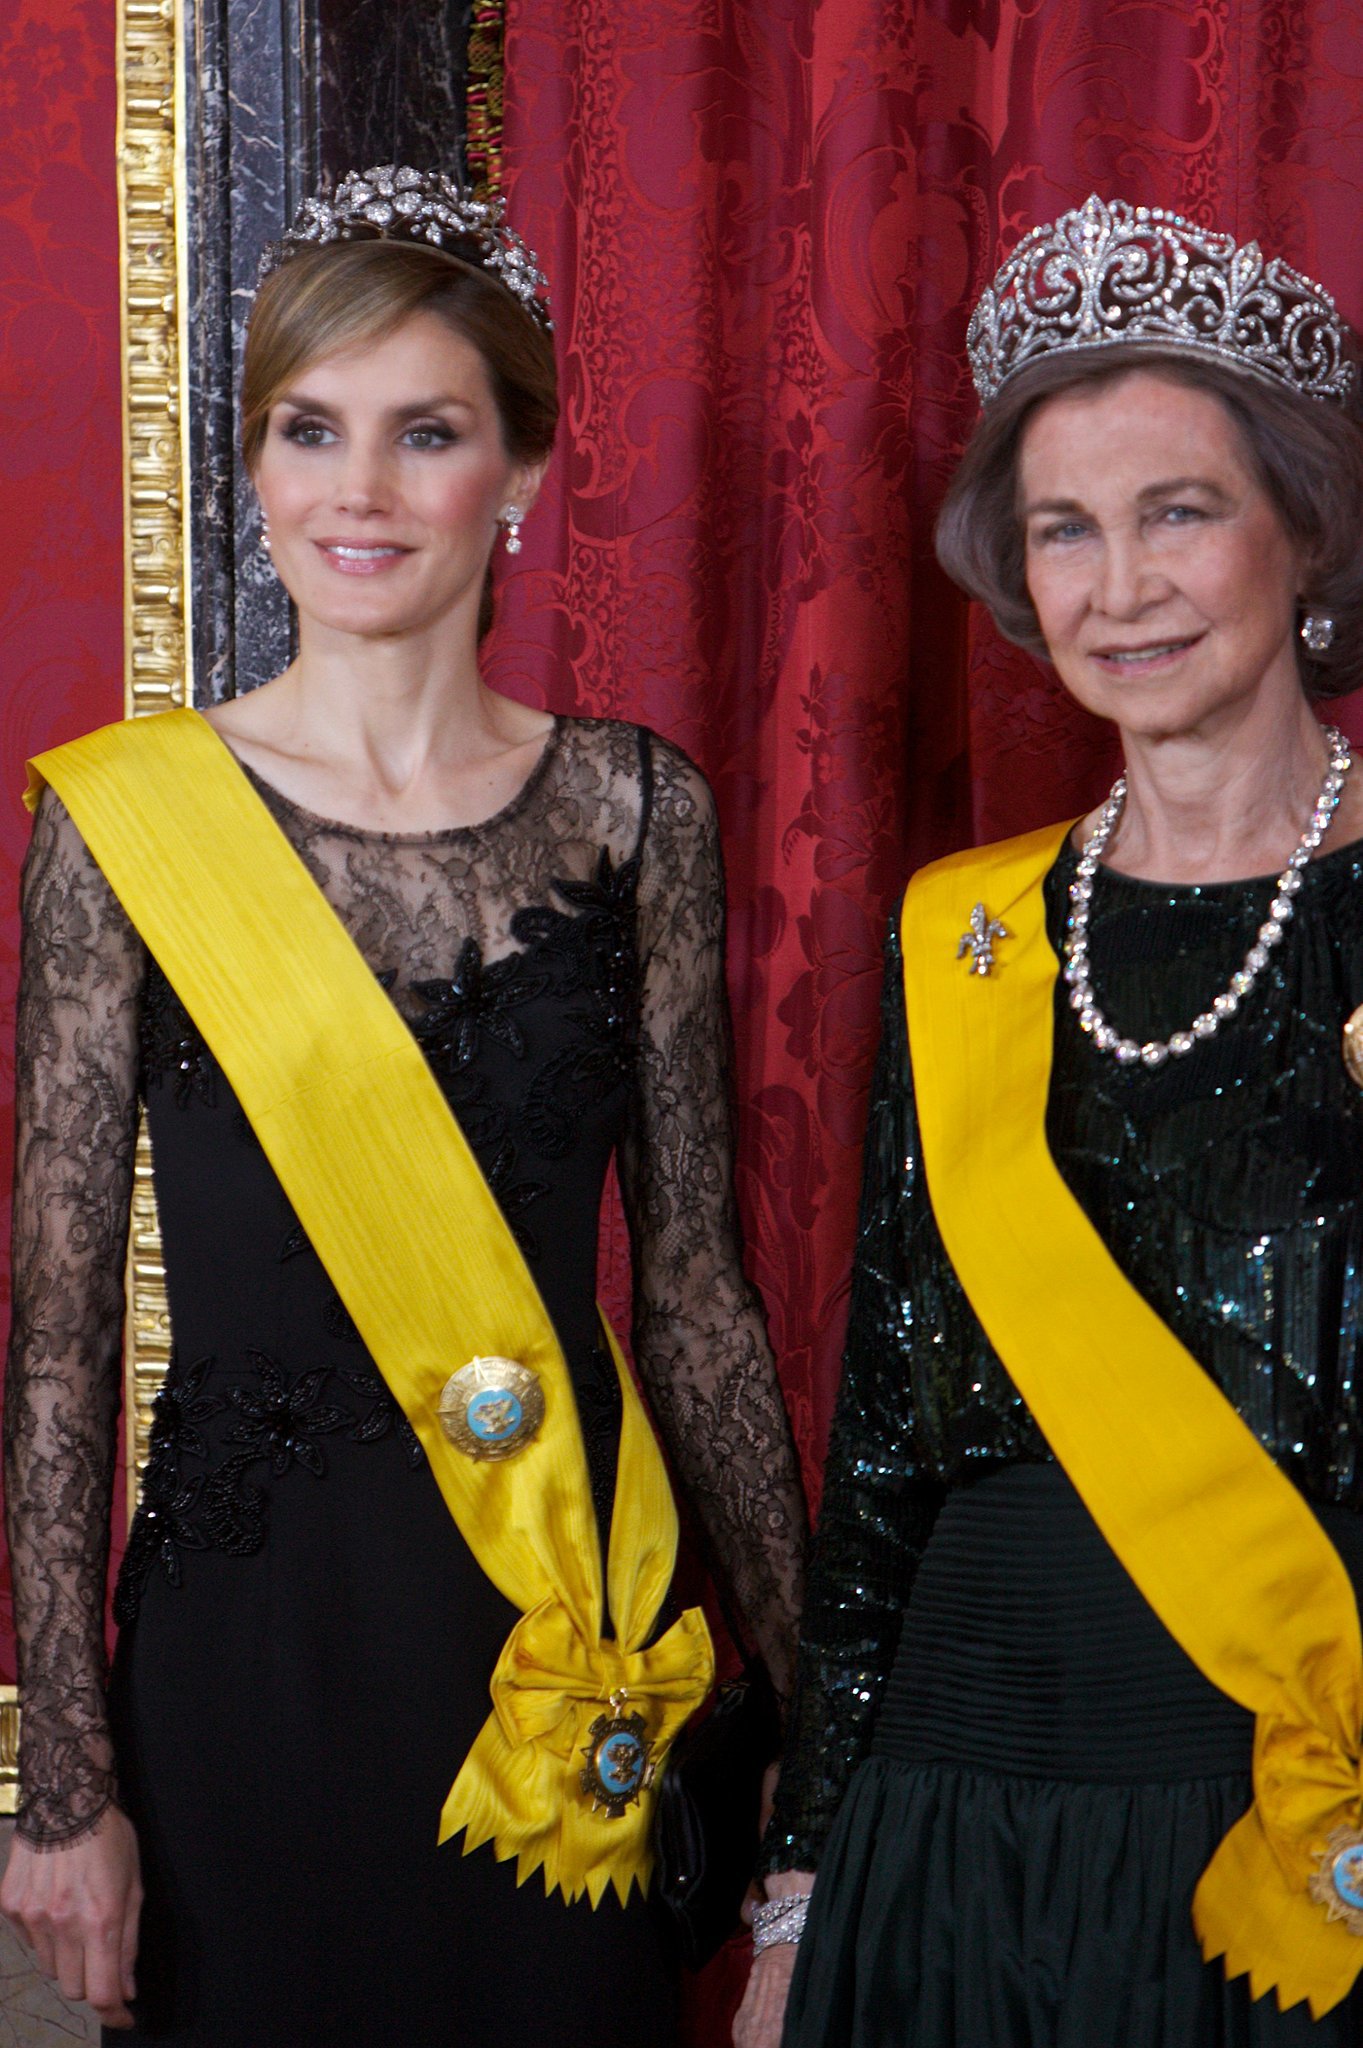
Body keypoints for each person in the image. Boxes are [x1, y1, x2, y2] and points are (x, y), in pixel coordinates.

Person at [0, 165, 805, 2046]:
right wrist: (64, 1788)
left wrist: (825, 1717)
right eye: (311, 428)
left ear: (522, 466)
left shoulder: (636, 812)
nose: (356, 490)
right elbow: (56, 1339)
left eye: (424, 433)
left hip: (555, 1623)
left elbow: (696, 1298)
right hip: (249, 1657)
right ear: (257, 462)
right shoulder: (124, 829)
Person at [738, 195, 1363, 2047]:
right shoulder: (972, 930)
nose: (1121, 586)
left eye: (1180, 512)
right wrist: (804, 1887)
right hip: (956, 1815)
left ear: (1306, 528)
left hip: (1286, 1814)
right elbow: (880, 1450)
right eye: (1064, 530)